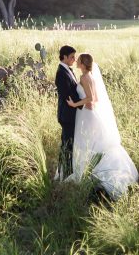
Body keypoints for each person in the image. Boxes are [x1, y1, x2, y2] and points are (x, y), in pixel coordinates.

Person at [65, 52, 139, 197]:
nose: (76, 61)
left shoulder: (84, 77)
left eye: (78, 60)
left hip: (86, 114)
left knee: (86, 143)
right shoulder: (91, 77)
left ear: (83, 64)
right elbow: (97, 98)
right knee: (95, 143)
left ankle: (90, 171)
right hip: (91, 113)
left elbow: (91, 99)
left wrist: (74, 104)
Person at [54, 44, 80, 179]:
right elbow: (67, 95)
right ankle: (65, 173)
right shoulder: (61, 73)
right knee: (67, 144)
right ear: (64, 57)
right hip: (67, 115)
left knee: (68, 144)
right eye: (72, 57)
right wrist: (82, 104)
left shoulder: (68, 70)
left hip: (72, 113)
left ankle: (65, 172)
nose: (74, 59)